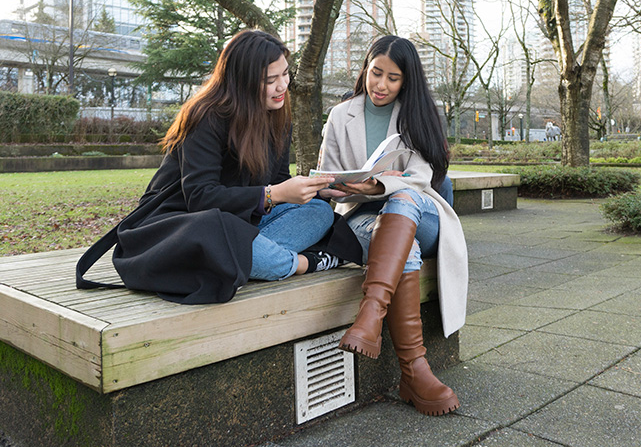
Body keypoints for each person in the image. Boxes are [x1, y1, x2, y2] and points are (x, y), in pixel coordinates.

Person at [77, 30, 348, 303]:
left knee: (319, 212)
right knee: (220, 232)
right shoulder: (206, 115)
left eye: (285, 74)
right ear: (243, 81)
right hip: (181, 225)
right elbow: (200, 197)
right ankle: (302, 263)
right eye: (270, 80)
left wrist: (314, 190)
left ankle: (244, 260)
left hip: (238, 222)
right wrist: (273, 194)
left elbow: (276, 182)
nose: (282, 86)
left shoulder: (278, 116)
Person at [316, 35, 469, 416]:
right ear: (365, 70)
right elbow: (329, 176)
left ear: (407, 81)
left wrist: (380, 184)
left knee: (402, 199)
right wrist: (340, 186)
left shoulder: (417, 113)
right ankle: (414, 373)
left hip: (424, 215)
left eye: (393, 78)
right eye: (375, 73)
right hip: (363, 216)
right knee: (404, 249)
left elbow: (420, 178)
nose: (381, 85)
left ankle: (371, 313)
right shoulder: (340, 115)